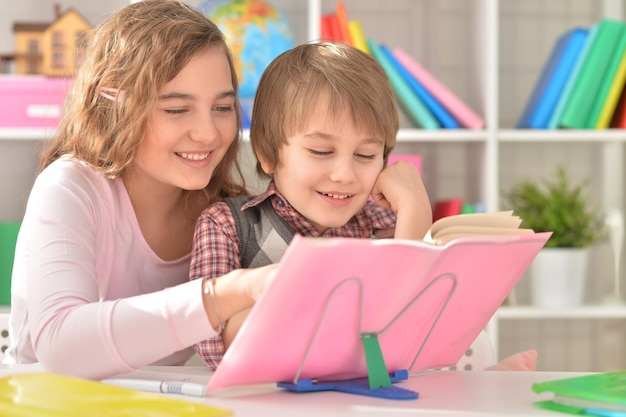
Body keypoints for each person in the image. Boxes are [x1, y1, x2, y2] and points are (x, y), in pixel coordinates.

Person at [2, 0, 278, 380]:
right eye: (177, 109)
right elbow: (61, 345)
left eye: (222, 107)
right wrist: (229, 293)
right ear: (115, 106)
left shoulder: (224, 216)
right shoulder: (69, 189)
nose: (208, 133)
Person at [190, 42, 433, 370]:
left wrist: (416, 211)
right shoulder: (227, 224)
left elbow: (414, 330)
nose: (345, 175)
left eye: (365, 155)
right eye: (321, 151)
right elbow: (216, 341)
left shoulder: (385, 223)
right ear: (267, 152)